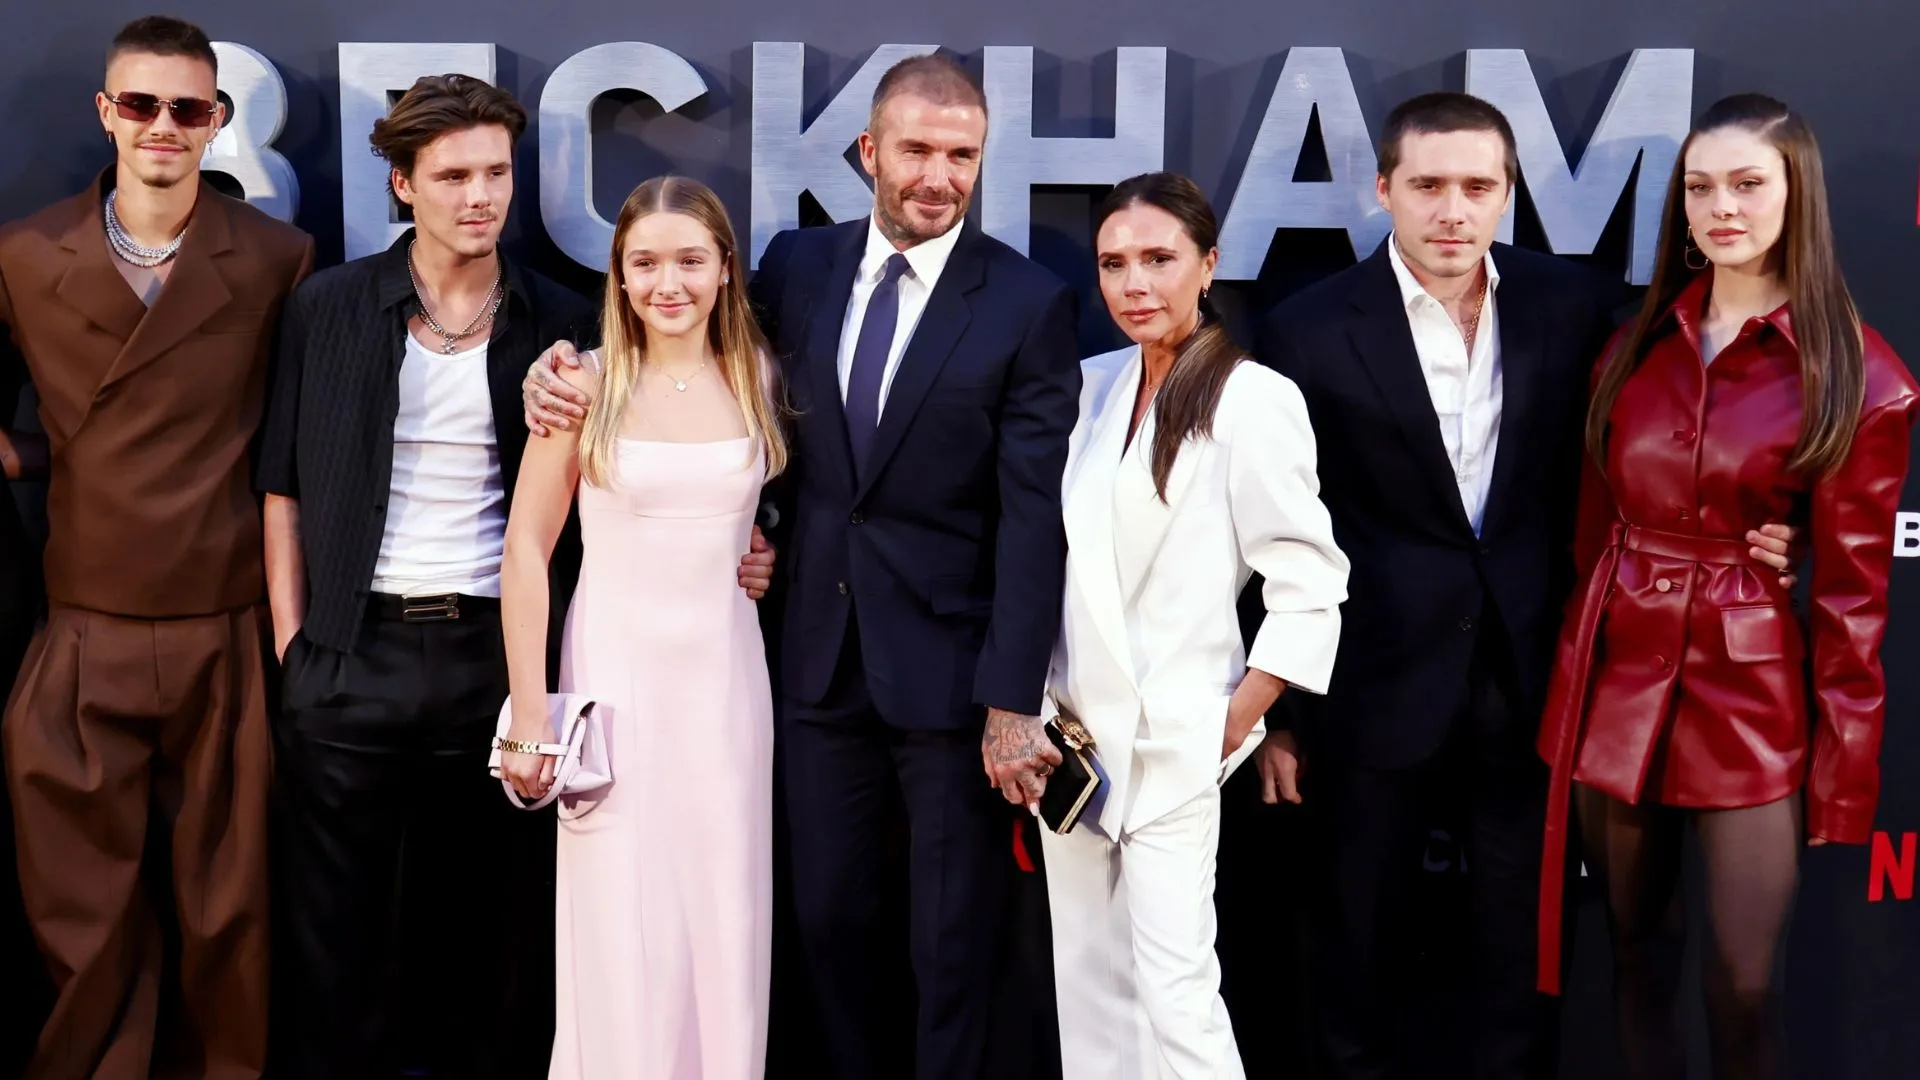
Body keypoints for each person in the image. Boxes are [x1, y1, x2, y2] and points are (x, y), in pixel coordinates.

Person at [522, 53, 1080, 1080]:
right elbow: (699, 380)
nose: (938, 175)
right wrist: (558, 372)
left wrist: (1013, 699)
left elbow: (1033, 516)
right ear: (870, 151)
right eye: (916, 149)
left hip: (951, 681)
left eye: (962, 155)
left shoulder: (1027, 302)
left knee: (950, 944)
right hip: (812, 669)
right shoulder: (798, 268)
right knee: (823, 925)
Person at [1252, 91, 1797, 1080]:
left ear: (1507, 193)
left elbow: (1669, 440)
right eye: (1427, 186)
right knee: (1353, 952)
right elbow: (1266, 527)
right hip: (1368, 687)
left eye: (1477, 186)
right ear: (1383, 191)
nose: (1452, 211)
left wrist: (1763, 530)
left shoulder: (1574, 307)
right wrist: (1277, 711)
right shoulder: (1306, 328)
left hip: (1535, 682)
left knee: (1524, 960)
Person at [1533, 92, 1918, 1080]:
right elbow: (1588, 536)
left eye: (1749, 183)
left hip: (1749, 699)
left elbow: (1852, 605)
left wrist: (1843, 780)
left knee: (1744, 988)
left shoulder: (1861, 378)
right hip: (1620, 683)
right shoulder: (1629, 349)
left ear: (1799, 195)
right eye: (1701, 186)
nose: (1722, 207)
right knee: (1634, 960)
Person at [255, 75, 601, 1079]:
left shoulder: (561, 320)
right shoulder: (327, 309)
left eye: (496, 171)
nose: (479, 194)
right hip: (347, 653)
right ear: (404, 185)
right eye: (453, 175)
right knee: (334, 943)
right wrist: (293, 649)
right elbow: (280, 489)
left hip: (495, 663)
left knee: (490, 938)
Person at [0, 16, 312, 1079]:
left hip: (225, 625)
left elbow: (307, 439)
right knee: (80, 918)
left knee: (234, 913)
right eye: (141, 105)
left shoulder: (277, 258)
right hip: (82, 622)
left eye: (188, 109)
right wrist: (36, 461)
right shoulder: (25, 254)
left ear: (219, 120)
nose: (164, 128)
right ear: (106, 113)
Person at [1042, 171, 1348, 1079]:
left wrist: (1230, 719)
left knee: (1178, 995)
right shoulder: (1089, 388)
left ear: (1208, 265)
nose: (1136, 283)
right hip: (1073, 742)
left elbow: (1310, 580)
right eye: (1113, 263)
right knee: (1088, 988)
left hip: (1175, 740)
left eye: (1158, 259)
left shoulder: (1255, 398)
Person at [497, 175, 784, 1080]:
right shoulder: (580, 383)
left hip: (729, 690)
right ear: (618, 277)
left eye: (691, 260)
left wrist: (764, 546)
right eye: (646, 262)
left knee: (724, 917)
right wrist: (533, 712)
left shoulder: (760, 376)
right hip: (612, 687)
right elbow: (525, 553)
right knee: (620, 924)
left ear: (726, 270)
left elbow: (766, 517)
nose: (671, 283)